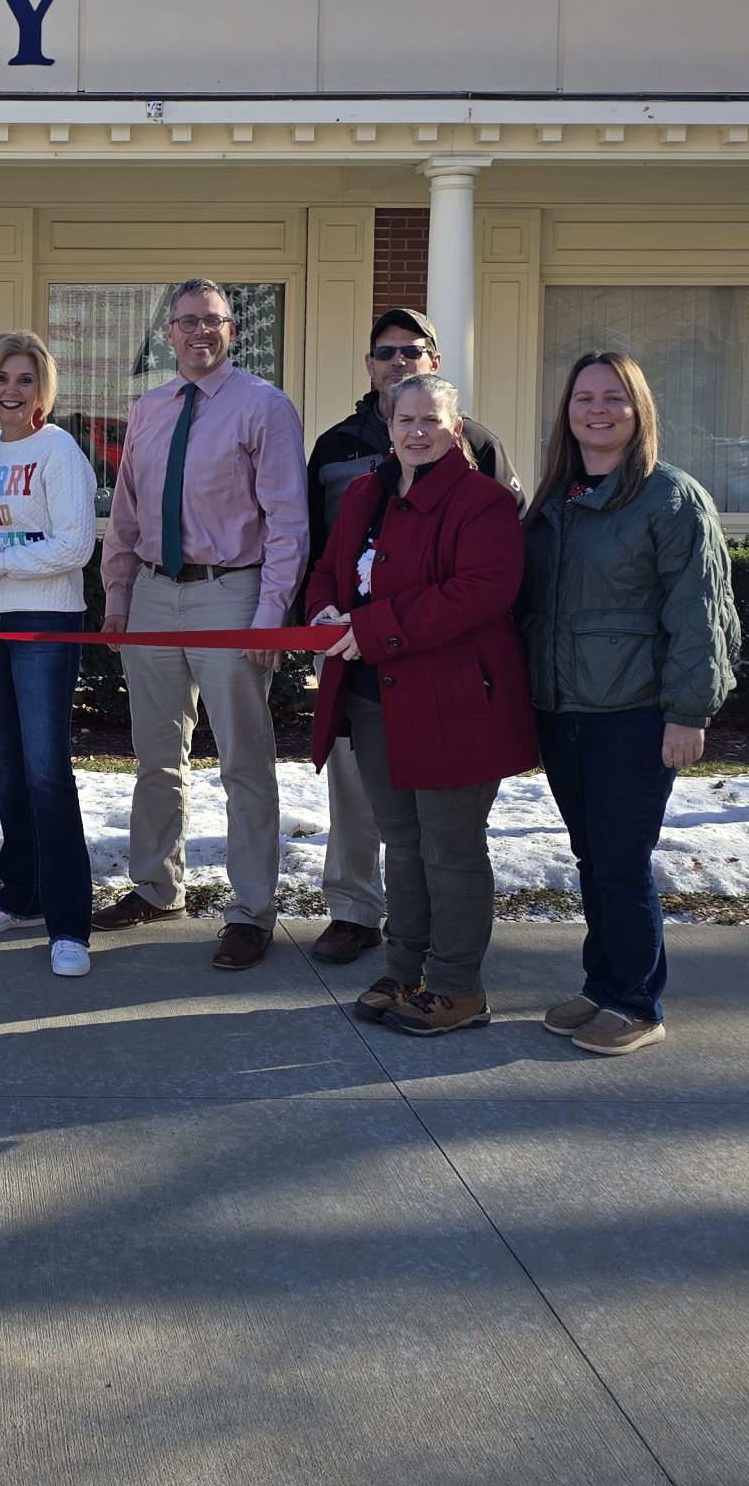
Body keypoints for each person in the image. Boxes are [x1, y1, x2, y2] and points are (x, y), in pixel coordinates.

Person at [520, 351, 740, 1057]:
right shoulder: (556, 500)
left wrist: (689, 711)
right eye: (584, 397)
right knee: (592, 856)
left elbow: (700, 612)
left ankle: (638, 1001)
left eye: (614, 397)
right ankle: (601, 985)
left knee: (621, 858)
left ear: (638, 410)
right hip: (564, 711)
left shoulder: (670, 497)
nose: (597, 409)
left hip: (636, 713)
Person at [304, 373, 535, 1035]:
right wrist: (322, 608)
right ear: (390, 424)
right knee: (401, 844)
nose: (417, 431)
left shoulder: (482, 502)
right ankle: (406, 968)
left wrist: (371, 629)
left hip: (455, 703)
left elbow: (477, 594)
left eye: (432, 419)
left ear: (455, 428)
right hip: (377, 699)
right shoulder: (366, 495)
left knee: (451, 848)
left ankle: (458, 987)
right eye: (406, 419)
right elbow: (330, 564)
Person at [92, 279, 306, 971]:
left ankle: (250, 911)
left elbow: (287, 523)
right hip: (153, 595)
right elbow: (126, 513)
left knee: (244, 761)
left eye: (212, 321)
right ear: (170, 334)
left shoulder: (264, 408)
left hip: (231, 596)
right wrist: (118, 594)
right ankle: (157, 887)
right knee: (156, 757)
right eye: (186, 322)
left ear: (232, 331)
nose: (199, 333)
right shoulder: (149, 409)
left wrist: (270, 616)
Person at [0, 331, 99, 977]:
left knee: (46, 770)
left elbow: (74, 547)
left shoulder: (60, 449)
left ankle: (70, 924)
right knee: (9, 767)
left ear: (43, 390)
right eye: (1, 379)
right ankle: (22, 895)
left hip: (44, 619)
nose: (11, 390)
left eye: (24, 379)